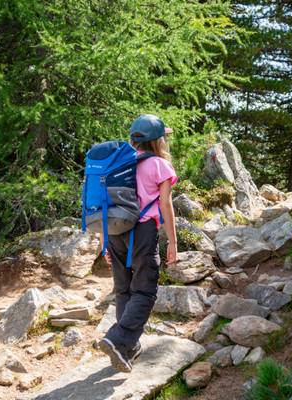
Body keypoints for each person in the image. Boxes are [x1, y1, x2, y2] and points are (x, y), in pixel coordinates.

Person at [97, 114, 178, 373]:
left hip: (116, 230)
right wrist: (173, 242)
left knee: (124, 291)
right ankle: (118, 339)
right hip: (142, 231)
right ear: (158, 140)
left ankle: (127, 349)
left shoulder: (117, 163)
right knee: (144, 291)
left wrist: (104, 243)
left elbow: (103, 203)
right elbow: (165, 205)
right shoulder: (159, 165)